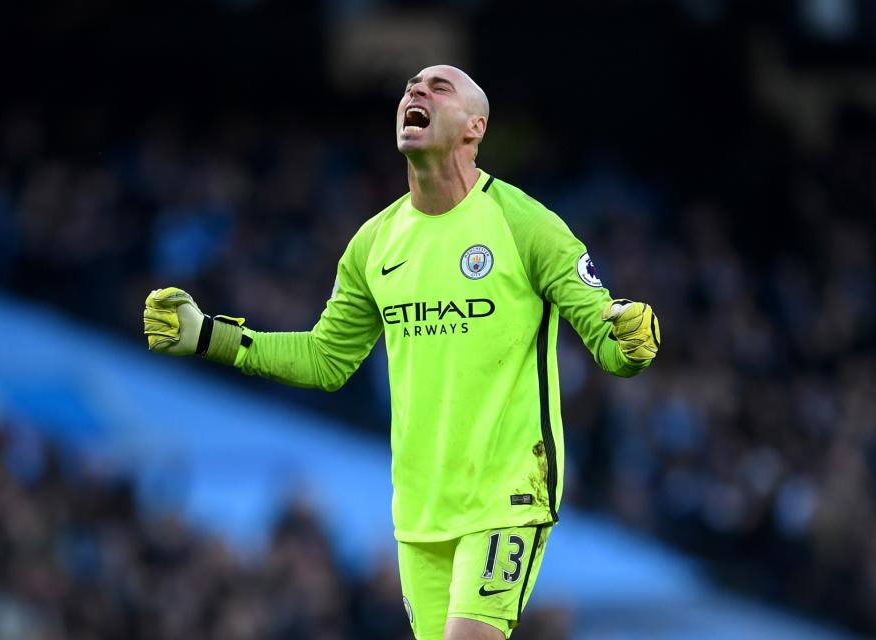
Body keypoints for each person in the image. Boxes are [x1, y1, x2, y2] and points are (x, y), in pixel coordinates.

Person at [143, 64, 660, 640]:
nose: (417, 92)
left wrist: (630, 341)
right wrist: (208, 335)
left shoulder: (526, 225)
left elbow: (606, 335)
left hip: (507, 494)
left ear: (475, 127)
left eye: (440, 88)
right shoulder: (374, 243)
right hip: (420, 511)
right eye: (412, 86)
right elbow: (325, 358)